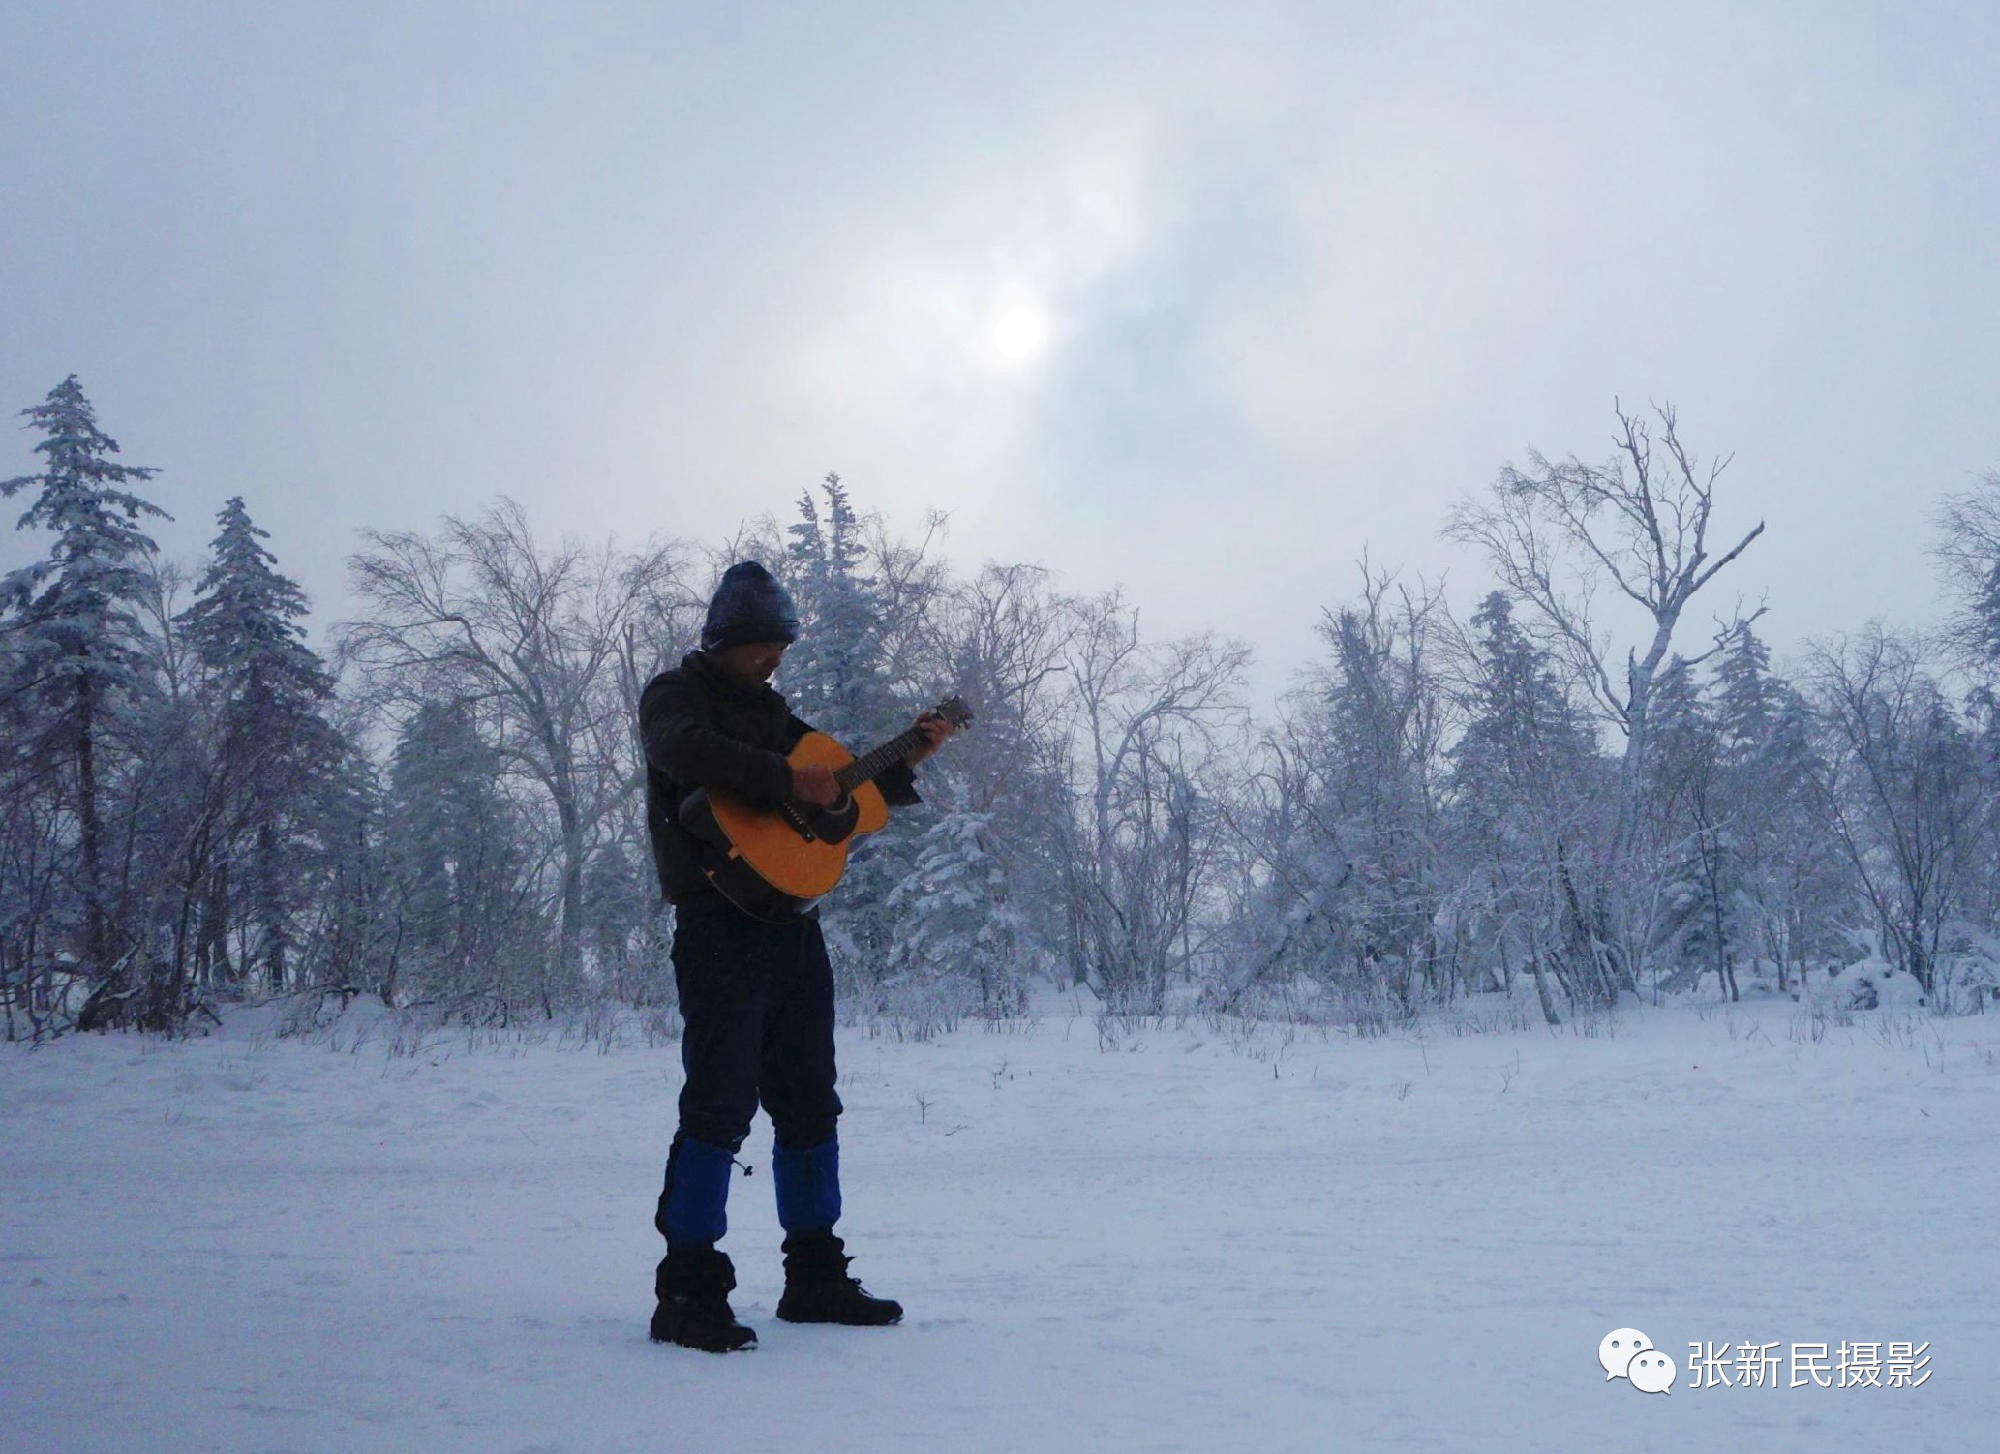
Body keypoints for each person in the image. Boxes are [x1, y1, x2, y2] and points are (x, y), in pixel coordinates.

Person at [637, 560, 952, 1353]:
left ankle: (814, 1276)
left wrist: (909, 755)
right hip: (717, 927)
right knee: (718, 1102)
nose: (773, 660)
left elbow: (836, 794)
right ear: (726, 641)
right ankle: (687, 1292)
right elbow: (686, 753)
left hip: (791, 927)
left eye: (780, 647)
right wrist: (788, 778)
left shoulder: (776, 713)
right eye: (761, 648)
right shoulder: (675, 697)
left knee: (811, 1101)